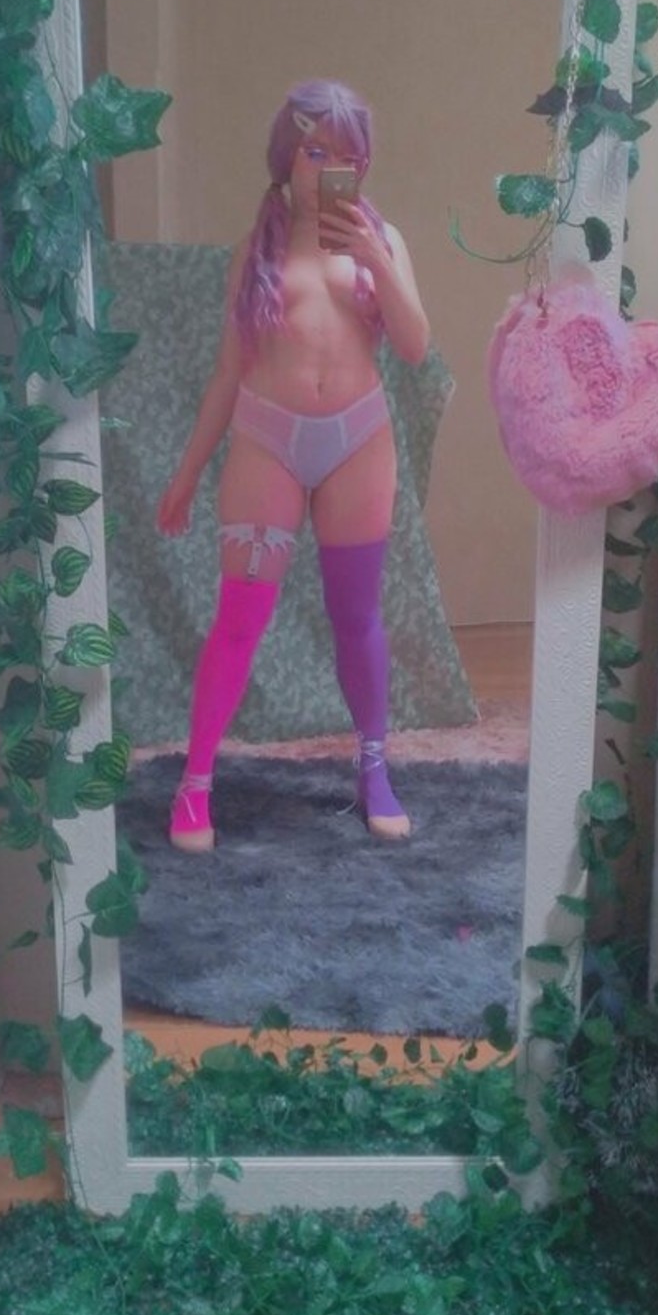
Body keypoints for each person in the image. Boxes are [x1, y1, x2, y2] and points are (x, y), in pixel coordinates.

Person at [156, 79, 431, 852]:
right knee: (238, 619)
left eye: (349, 157)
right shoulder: (259, 249)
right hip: (266, 440)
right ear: (287, 157)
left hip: (358, 441)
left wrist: (376, 259)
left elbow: (415, 346)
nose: (331, 169)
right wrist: (186, 473)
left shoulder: (382, 240)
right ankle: (195, 779)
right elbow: (227, 372)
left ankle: (374, 767)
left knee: (356, 616)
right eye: (316, 152)